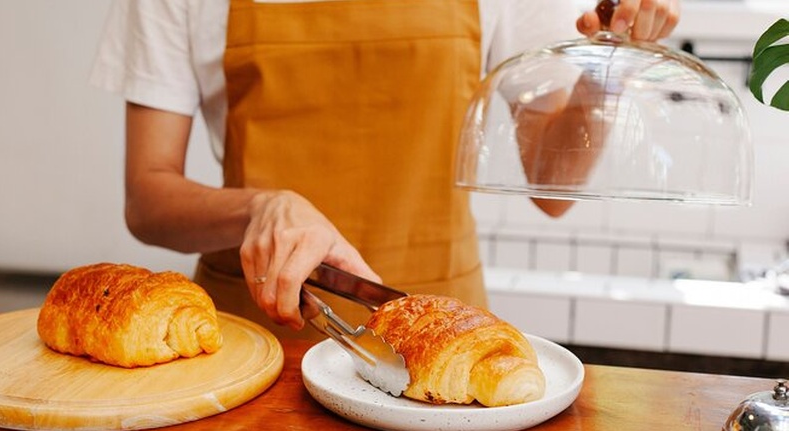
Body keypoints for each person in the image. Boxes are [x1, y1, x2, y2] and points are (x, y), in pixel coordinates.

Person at [90, 0, 679, 341]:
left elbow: (554, 193)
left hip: (440, 339)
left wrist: (608, 64)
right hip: (256, 340)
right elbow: (148, 199)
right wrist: (261, 207)